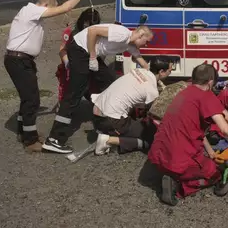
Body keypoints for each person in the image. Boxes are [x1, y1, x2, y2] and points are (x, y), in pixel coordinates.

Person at [148, 64, 228, 206]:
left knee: (200, 160)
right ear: (211, 81)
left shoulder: (184, 94)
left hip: (158, 155)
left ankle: (171, 175)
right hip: (179, 159)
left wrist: (211, 151)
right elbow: (226, 130)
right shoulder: (206, 97)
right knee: (214, 173)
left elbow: (195, 128)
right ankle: (178, 186)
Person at [4, 0, 91, 152]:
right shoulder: (30, 11)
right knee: (32, 100)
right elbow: (65, 8)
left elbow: (61, 12)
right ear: (44, 4)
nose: (51, 13)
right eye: (51, 8)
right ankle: (30, 141)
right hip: (18, 60)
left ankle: (25, 132)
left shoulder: (31, 14)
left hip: (22, 60)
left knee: (28, 98)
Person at [42, 24, 153, 154]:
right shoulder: (122, 34)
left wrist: (151, 75)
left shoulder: (129, 43)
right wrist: (93, 57)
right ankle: (54, 139)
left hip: (88, 53)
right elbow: (92, 31)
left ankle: (105, 121)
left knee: (109, 82)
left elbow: (139, 59)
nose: (146, 45)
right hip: (80, 50)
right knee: (74, 94)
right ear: (140, 35)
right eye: (147, 42)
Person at [92, 57, 173, 155]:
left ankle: (111, 132)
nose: (171, 73)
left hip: (97, 109)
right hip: (110, 120)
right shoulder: (152, 91)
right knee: (151, 137)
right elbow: (155, 113)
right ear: (161, 72)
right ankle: (109, 140)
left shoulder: (138, 71)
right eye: (170, 70)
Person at [55, 8, 101, 107]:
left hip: (88, 66)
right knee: (67, 93)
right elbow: (62, 50)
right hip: (71, 66)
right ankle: (63, 110)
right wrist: (67, 63)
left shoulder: (98, 32)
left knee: (93, 89)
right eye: (87, 24)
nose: (88, 27)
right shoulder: (71, 32)